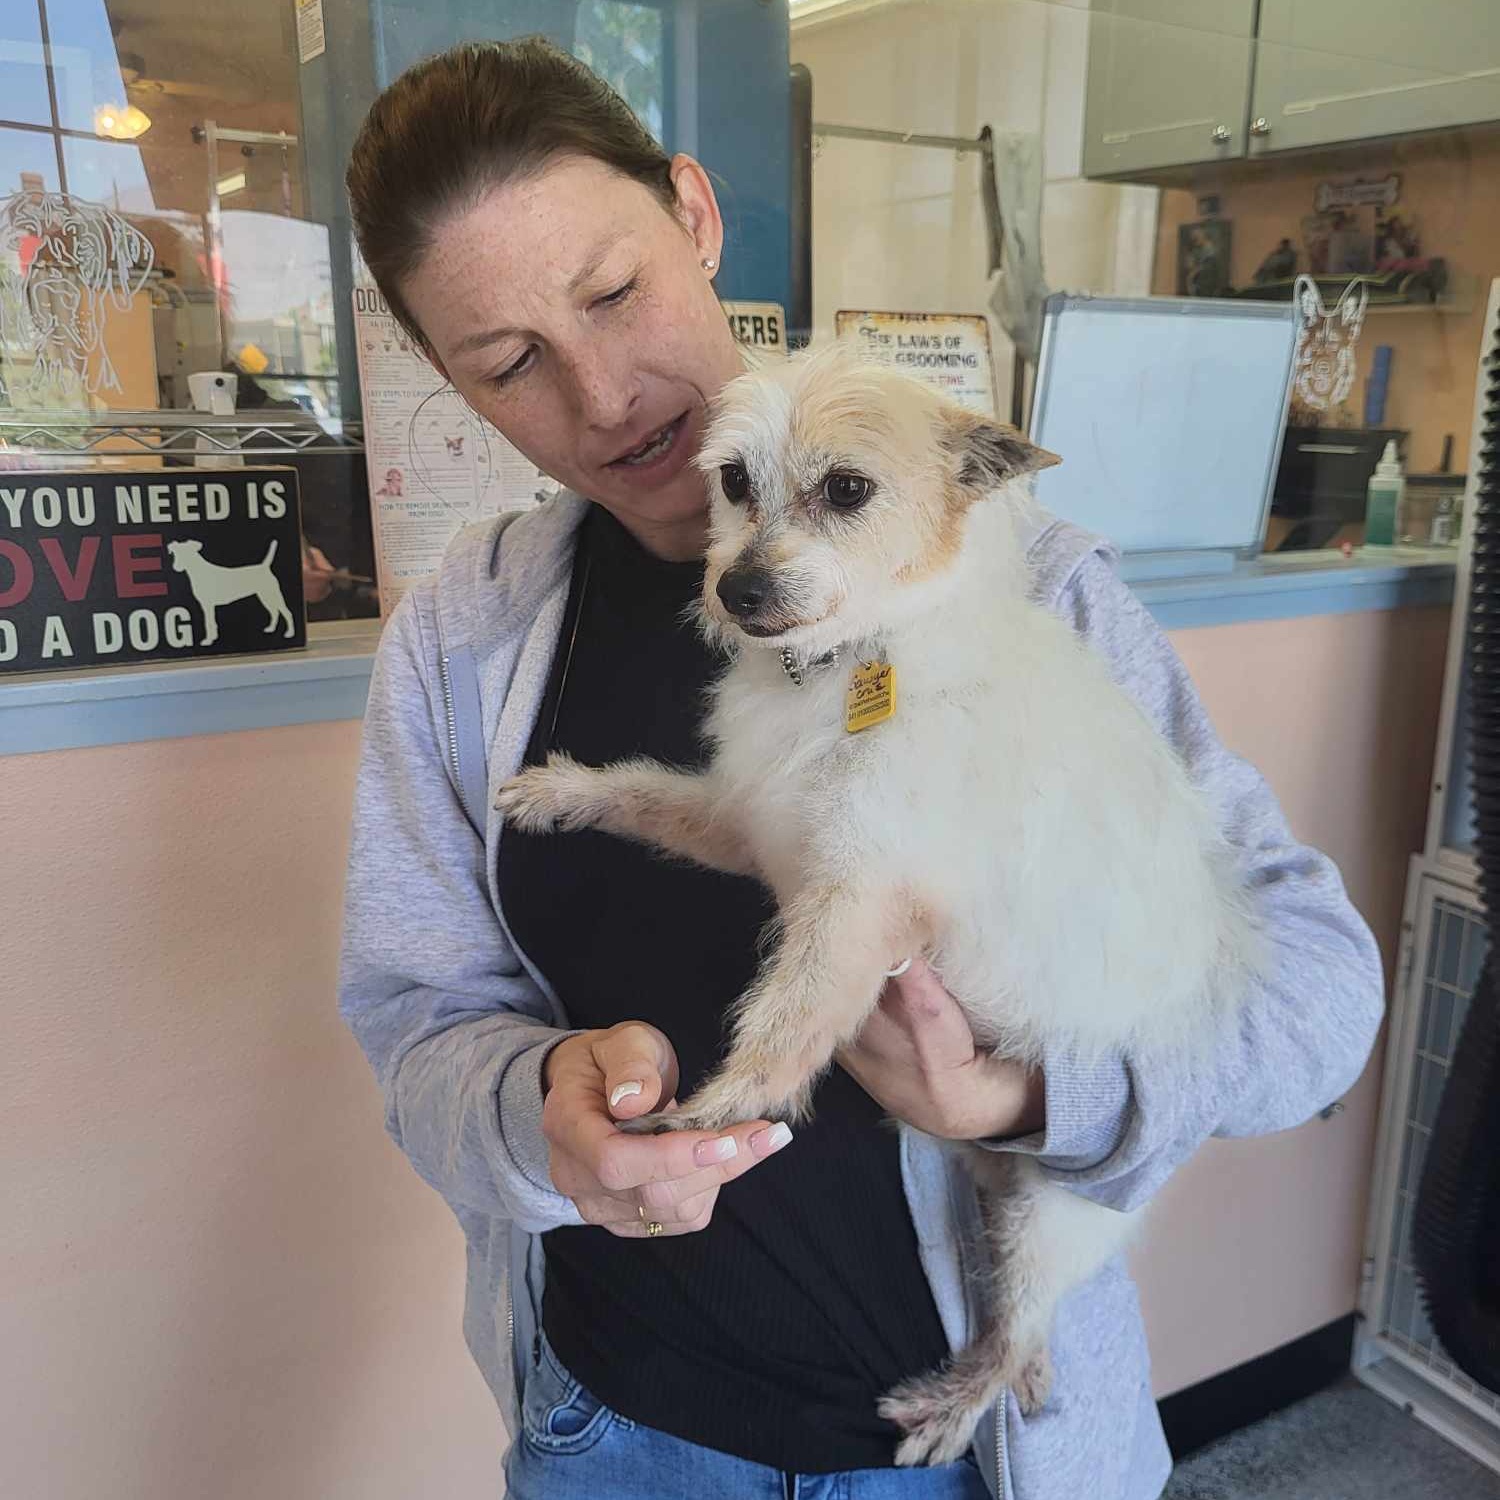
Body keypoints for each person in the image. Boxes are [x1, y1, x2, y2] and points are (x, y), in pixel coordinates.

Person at [337, 37, 1385, 1500]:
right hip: (614, 1426)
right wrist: (538, 1112)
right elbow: (419, 1016)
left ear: (695, 214)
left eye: (614, 292)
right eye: (509, 364)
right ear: (447, 383)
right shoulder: (465, 637)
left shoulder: (1028, 591)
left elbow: (1320, 996)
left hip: (975, 1458)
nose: (605, 395)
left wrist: (1023, 1099)